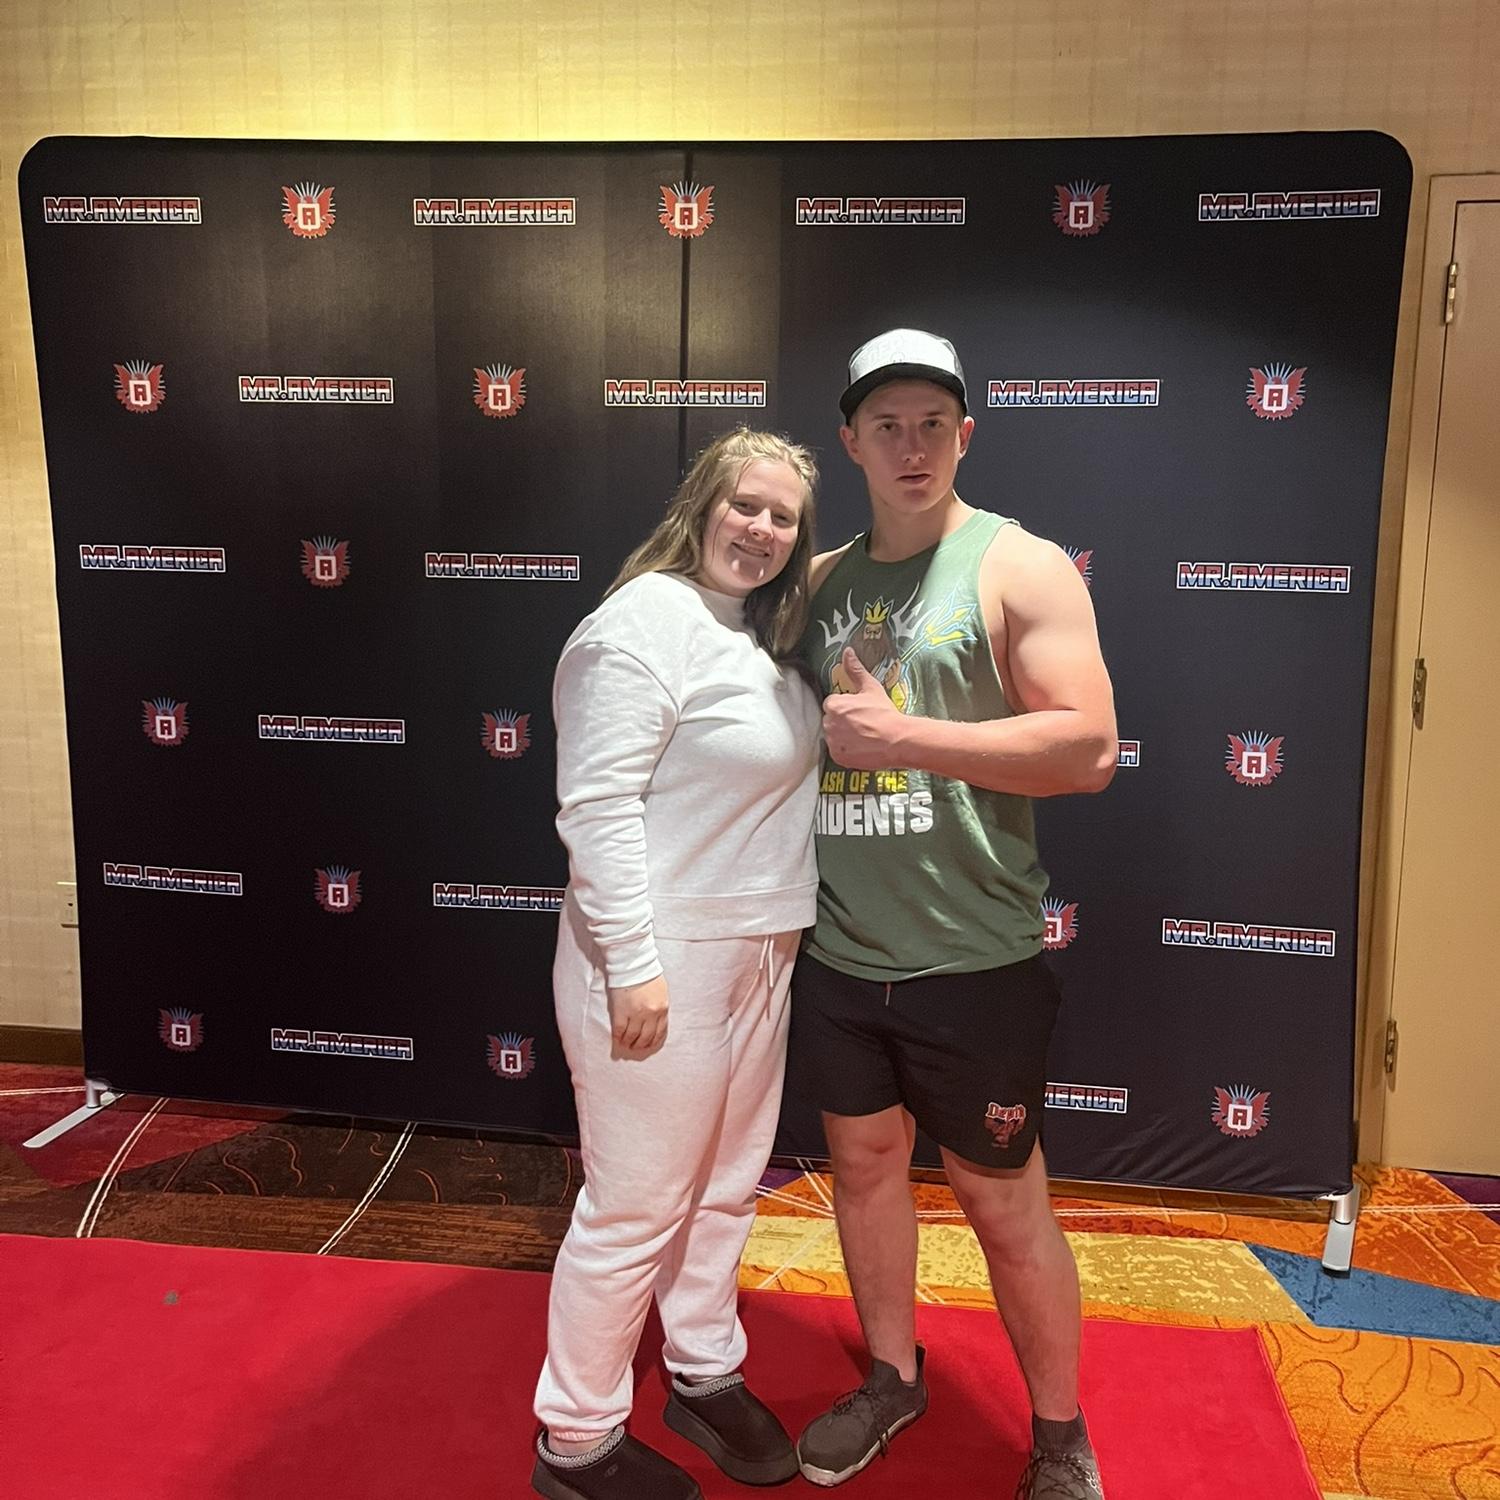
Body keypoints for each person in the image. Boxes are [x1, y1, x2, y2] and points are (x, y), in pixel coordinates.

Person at [788, 330, 1118, 1500]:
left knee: (1001, 1200)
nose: (912, 446)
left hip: (973, 959)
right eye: (887, 425)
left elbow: (1090, 749)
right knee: (864, 1167)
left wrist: (908, 739)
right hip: (842, 953)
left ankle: (1061, 1436)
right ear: (851, 442)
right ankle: (892, 1376)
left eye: (934, 423)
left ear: (966, 433)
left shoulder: (1017, 566)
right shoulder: (819, 583)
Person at [532, 427, 823, 1500]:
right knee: (634, 1207)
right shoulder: (640, 624)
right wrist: (633, 968)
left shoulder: (758, 635)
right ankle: (575, 1439)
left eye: (783, 516)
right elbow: (597, 808)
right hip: (662, 962)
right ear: (701, 504)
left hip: (761, 951)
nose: (761, 528)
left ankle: (701, 1367)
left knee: (728, 1186)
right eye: (745, 504)